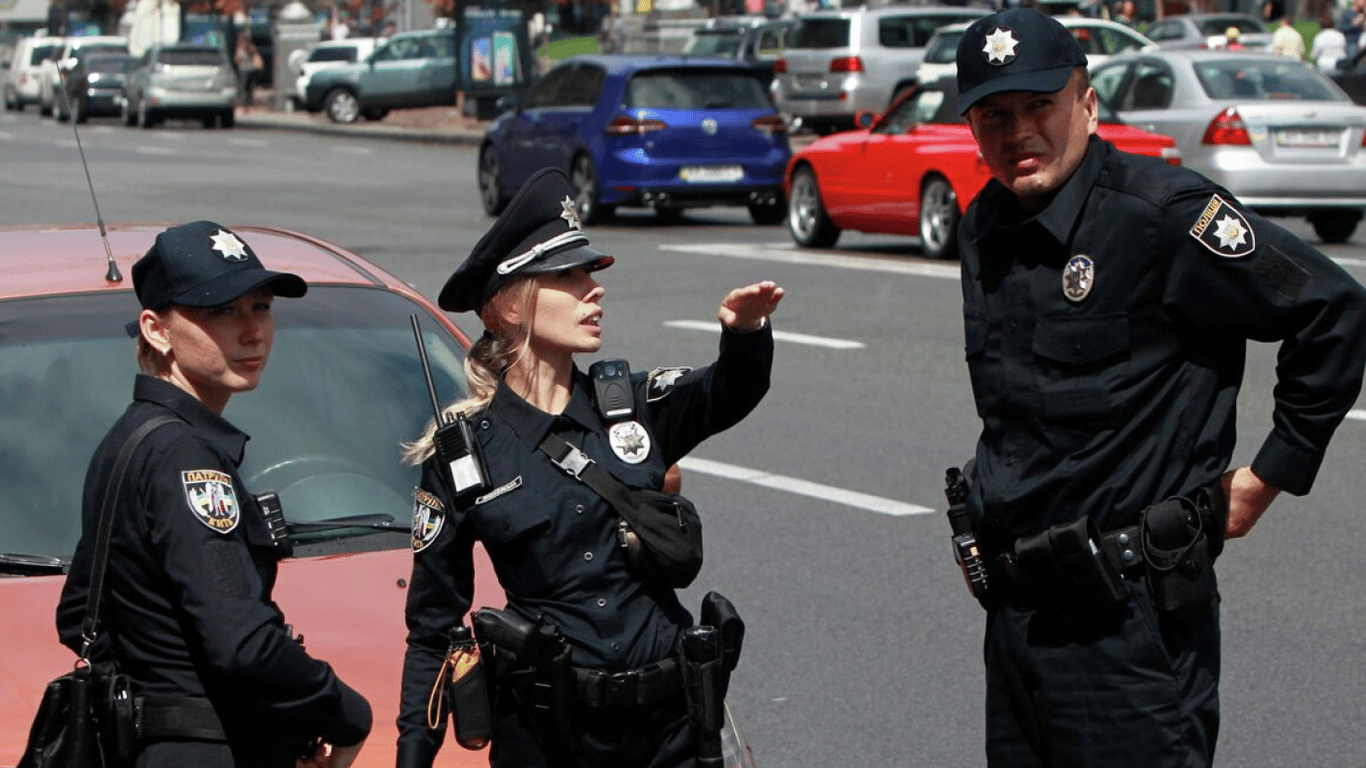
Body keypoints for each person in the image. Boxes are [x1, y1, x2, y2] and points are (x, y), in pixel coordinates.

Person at [951, 9, 1366, 767]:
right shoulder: (985, 228)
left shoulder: (1163, 215)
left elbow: (1330, 308)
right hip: (1017, 621)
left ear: (1086, 102)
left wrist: (1268, 477)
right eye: (994, 115)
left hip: (1129, 627)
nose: (1019, 134)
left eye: (1040, 106)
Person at [396, 167, 784, 768]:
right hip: (552, 742)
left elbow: (725, 392)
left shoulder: (630, 405)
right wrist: (411, 756)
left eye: (591, 274)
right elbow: (431, 629)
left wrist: (746, 333)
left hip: (672, 733)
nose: (593, 290)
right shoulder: (463, 454)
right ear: (505, 304)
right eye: (567, 277)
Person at [55, 221, 373, 767]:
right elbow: (241, 643)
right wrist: (346, 711)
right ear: (156, 330)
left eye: (261, 307)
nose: (252, 332)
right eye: (221, 311)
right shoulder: (185, 457)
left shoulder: (131, 439)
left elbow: (78, 611)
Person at [233, 31, 263, 107]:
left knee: (243, 88)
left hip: (244, 70)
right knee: (249, 88)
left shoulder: (240, 48)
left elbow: (236, 60)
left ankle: (245, 104)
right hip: (251, 69)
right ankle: (249, 103)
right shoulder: (252, 47)